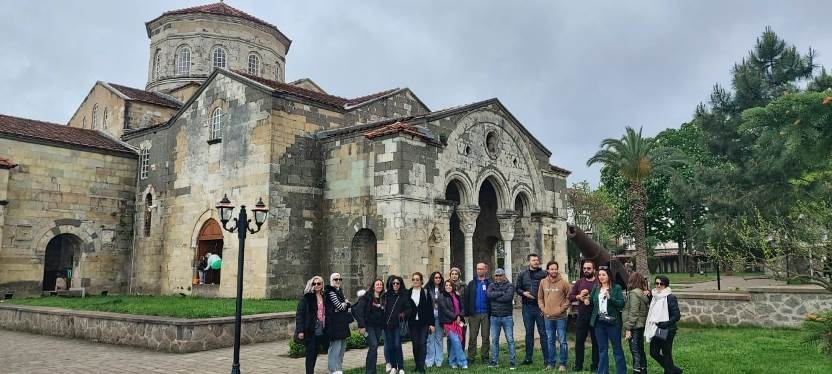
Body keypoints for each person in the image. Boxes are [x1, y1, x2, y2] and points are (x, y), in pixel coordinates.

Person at [588, 267, 627, 374]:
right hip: (599, 322)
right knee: (602, 349)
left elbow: (621, 304)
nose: (601, 277)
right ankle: (602, 372)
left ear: (609, 276)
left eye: (603, 275)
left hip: (612, 322)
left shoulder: (616, 288)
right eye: (599, 275)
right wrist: (586, 300)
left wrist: (610, 298)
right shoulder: (596, 287)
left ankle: (621, 371)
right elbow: (591, 300)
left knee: (617, 349)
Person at [515, 253, 548, 365]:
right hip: (527, 308)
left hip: (539, 307)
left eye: (537, 260)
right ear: (529, 262)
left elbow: (548, 289)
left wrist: (545, 307)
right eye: (534, 260)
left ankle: (547, 359)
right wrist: (523, 293)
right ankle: (528, 358)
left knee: (543, 333)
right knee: (529, 333)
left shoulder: (544, 274)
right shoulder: (522, 274)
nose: (536, 262)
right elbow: (517, 288)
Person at [646, 275, 682, 374]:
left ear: (665, 285)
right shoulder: (655, 297)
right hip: (657, 328)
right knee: (654, 353)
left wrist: (665, 323)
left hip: (667, 329)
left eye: (661, 284)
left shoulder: (670, 297)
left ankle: (670, 371)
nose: (658, 285)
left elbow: (677, 315)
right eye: (656, 283)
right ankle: (674, 370)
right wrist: (649, 296)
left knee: (666, 353)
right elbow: (654, 309)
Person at [538, 260, 570, 371]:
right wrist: (543, 308)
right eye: (551, 269)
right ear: (548, 270)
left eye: (555, 269)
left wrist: (562, 309)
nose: (554, 271)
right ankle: (551, 363)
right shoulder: (543, 282)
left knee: (562, 341)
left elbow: (569, 298)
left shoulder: (563, 282)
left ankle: (563, 363)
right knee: (550, 340)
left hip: (561, 317)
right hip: (547, 317)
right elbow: (540, 298)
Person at [568, 259, 600, 372]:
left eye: (589, 268)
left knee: (596, 342)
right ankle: (578, 366)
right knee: (579, 341)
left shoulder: (598, 282)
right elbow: (571, 296)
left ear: (594, 270)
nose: (586, 270)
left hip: (596, 316)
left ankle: (595, 366)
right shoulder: (579, 282)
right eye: (585, 268)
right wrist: (579, 297)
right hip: (582, 316)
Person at [295, 276, 329, 374]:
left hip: (322, 328)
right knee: (311, 354)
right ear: (311, 285)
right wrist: (300, 330)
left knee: (319, 351)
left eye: (319, 283)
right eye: (314, 284)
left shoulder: (325, 296)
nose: (317, 285)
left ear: (322, 284)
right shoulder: (307, 298)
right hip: (311, 329)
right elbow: (300, 315)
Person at [486, 268, 516, 369]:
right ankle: (494, 361)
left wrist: (496, 296)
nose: (498, 277)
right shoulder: (491, 285)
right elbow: (489, 295)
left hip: (507, 317)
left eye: (500, 275)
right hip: (494, 317)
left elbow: (508, 298)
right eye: (496, 275)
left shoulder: (510, 285)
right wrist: (501, 293)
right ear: (494, 276)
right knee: (494, 340)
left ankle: (512, 361)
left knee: (510, 340)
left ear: (504, 276)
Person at [355, 279, 386, 374]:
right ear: (373, 286)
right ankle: (369, 371)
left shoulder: (383, 298)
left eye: (381, 284)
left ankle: (372, 370)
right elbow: (358, 311)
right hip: (368, 326)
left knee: (374, 348)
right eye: (377, 284)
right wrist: (361, 326)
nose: (379, 286)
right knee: (374, 345)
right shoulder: (366, 297)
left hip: (378, 327)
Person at [464, 262, 491, 364]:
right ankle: (471, 357)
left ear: (486, 270)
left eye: (481, 269)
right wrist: (466, 314)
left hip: (486, 314)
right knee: (472, 337)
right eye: (478, 269)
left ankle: (485, 357)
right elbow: (467, 299)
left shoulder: (489, 283)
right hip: (473, 314)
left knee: (485, 337)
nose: (479, 270)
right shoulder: (471, 284)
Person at [408, 272, 435, 374]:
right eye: (414, 279)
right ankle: (417, 365)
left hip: (424, 322)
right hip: (413, 323)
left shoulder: (425, 292)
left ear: (421, 281)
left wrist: (432, 324)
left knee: (422, 344)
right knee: (415, 345)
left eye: (417, 279)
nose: (415, 281)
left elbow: (430, 309)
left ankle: (421, 366)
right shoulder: (408, 292)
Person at [325, 272, 352, 374]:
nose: (338, 281)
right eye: (335, 279)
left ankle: (339, 369)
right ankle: (332, 370)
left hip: (342, 323)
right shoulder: (331, 292)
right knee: (335, 348)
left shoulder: (339, 291)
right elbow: (340, 306)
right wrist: (345, 303)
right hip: (334, 324)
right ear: (331, 281)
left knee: (342, 348)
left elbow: (345, 305)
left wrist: (344, 304)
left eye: (339, 279)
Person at [438, 279, 468, 369]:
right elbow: (445, 310)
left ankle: (452, 362)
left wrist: (460, 315)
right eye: (446, 285)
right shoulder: (441, 296)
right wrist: (456, 317)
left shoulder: (457, 295)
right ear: (444, 286)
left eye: (450, 285)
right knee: (456, 341)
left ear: (453, 286)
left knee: (456, 342)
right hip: (448, 322)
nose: (448, 287)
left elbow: (463, 307)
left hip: (458, 322)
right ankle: (463, 362)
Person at [623, 272, 649, 374]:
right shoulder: (642, 293)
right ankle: (643, 370)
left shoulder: (634, 294)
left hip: (634, 325)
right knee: (640, 349)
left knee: (635, 351)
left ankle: (637, 370)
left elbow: (634, 311)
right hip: (641, 324)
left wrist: (628, 327)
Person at [384, 275, 411, 374]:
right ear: (391, 284)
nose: (395, 285)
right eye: (393, 283)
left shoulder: (404, 295)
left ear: (400, 284)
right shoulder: (387, 295)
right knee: (390, 346)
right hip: (388, 325)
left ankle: (401, 367)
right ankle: (394, 366)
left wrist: (403, 314)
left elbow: (409, 309)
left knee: (397, 345)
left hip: (398, 325)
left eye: (397, 283)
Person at [425, 271, 445, 368]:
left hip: (440, 318)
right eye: (436, 278)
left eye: (439, 278)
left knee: (439, 339)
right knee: (430, 340)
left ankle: (439, 360)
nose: (437, 279)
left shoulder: (443, 289)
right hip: (430, 318)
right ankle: (429, 360)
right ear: (432, 279)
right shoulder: (427, 289)